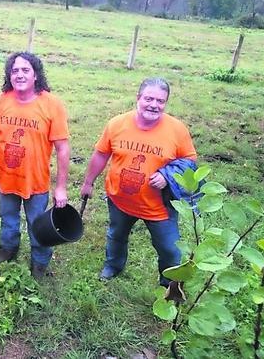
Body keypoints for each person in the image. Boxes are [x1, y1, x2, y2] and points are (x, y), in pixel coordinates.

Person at [80, 77, 197, 287]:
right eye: (149, 98)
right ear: (138, 98)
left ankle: (169, 286)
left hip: (159, 207)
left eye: (160, 101)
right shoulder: (117, 124)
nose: (154, 105)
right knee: (116, 235)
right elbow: (100, 155)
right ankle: (113, 266)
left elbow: (190, 162)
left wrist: (168, 175)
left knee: (170, 249)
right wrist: (88, 182)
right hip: (120, 200)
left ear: (166, 103)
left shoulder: (177, 130)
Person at [0, 52, 71, 278]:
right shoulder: (0, 100)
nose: (19, 75)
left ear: (35, 75)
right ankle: (8, 249)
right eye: (14, 70)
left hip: (36, 181)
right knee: (8, 219)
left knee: (37, 225)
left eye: (25, 70)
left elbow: (62, 148)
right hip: (6, 177)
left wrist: (61, 187)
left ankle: (39, 263)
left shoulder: (52, 105)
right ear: (9, 75)